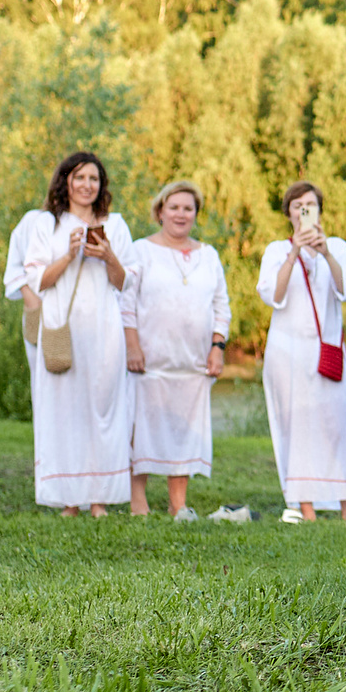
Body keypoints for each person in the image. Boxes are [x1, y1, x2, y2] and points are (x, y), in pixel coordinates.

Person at [5, 151, 134, 517]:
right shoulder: (46, 225)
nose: (86, 185)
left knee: (103, 410)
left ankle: (99, 498)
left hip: (103, 327)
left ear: (101, 185)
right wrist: (69, 255)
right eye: (79, 178)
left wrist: (108, 255)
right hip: (62, 325)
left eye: (93, 179)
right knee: (63, 411)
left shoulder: (116, 225)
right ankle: (69, 499)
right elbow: (37, 281)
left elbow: (122, 283)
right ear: (65, 181)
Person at [122, 179, 229, 518]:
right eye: (174, 207)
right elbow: (126, 301)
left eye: (188, 208)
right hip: (151, 360)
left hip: (193, 361)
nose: (181, 214)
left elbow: (221, 306)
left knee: (183, 429)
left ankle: (177, 503)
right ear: (160, 211)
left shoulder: (209, 255)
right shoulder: (140, 250)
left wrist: (217, 347)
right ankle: (137, 499)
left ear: (196, 215)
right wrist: (132, 345)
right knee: (141, 425)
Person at [258, 182, 346, 523]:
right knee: (295, 424)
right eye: (297, 205)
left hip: (327, 349)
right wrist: (294, 253)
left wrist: (325, 253)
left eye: (310, 205)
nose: (303, 210)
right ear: (288, 212)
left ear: (319, 210)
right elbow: (273, 294)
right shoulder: (276, 250)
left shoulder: (338, 247)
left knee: (335, 424)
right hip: (287, 351)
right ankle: (305, 507)